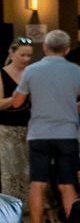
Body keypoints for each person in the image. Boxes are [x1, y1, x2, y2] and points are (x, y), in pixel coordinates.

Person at [3, 28, 80, 223]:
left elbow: (16, 103)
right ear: (67, 49)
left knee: (38, 184)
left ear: (44, 47)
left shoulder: (31, 71)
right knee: (67, 184)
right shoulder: (77, 72)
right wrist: (69, 108)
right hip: (66, 134)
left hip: (39, 134)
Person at [1, 35, 33, 202]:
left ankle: (32, 214)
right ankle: (12, 215)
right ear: (12, 53)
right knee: (10, 173)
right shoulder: (2, 74)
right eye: (22, 55)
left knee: (29, 172)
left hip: (29, 128)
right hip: (7, 129)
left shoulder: (30, 73)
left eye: (29, 56)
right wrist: (16, 98)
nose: (26, 59)